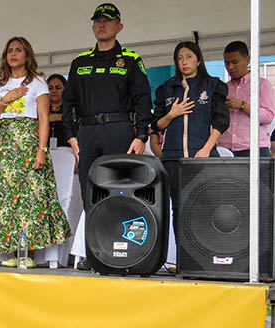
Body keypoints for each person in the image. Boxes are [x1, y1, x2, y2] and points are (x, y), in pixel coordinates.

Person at [0, 37, 71, 267]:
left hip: (28, 140)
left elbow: (44, 118)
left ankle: (29, 254)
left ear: (27, 55)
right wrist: (5, 99)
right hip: (5, 143)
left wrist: (42, 150)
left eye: (18, 50)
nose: (13, 54)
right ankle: (12, 253)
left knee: (30, 196)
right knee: (6, 197)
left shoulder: (38, 82)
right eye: (10, 50)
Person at [62, 3, 152, 204]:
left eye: (107, 21)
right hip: (87, 132)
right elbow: (68, 101)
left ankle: (119, 224)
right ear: (93, 27)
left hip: (119, 130)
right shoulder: (80, 61)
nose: (102, 25)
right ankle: (93, 226)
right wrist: (70, 136)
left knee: (120, 189)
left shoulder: (131, 59)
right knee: (89, 191)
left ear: (119, 27)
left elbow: (143, 99)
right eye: (98, 21)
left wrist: (141, 135)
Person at [151, 41, 229, 237]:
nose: (184, 62)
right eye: (179, 58)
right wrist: (172, 114)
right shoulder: (166, 88)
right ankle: (181, 253)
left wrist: (206, 149)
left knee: (206, 205)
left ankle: (204, 252)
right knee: (178, 207)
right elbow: (157, 124)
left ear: (198, 60)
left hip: (202, 156)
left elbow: (221, 121)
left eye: (189, 57)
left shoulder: (213, 85)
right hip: (173, 158)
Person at [216, 41, 275, 157]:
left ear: (247, 60)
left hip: (255, 148)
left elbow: (268, 116)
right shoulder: (223, 88)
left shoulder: (262, 84)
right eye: (227, 63)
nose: (230, 67)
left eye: (235, 62)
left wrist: (243, 105)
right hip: (225, 149)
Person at [47, 73, 69, 148]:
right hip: (45, 150)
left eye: (58, 88)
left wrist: (59, 117)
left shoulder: (71, 108)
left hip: (68, 149)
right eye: (50, 88)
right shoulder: (40, 108)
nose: (54, 91)